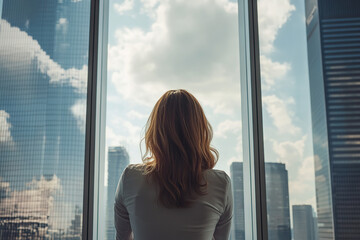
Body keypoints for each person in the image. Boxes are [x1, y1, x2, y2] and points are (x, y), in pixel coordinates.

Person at [114, 89, 233, 240]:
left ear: (155, 131)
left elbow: (122, 237)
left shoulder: (130, 178)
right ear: (200, 130)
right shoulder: (220, 183)